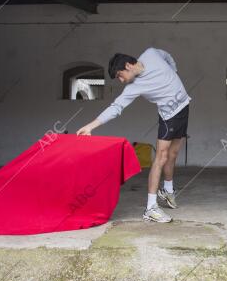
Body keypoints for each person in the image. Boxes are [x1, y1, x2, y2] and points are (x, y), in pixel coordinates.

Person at [77, 47, 191, 223]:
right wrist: (91, 126)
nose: (121, 81)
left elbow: (167, 55)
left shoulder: (151, 53)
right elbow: (116, 107)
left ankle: (168, 191)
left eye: (120, 75)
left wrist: (173, 70)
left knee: (173, 154)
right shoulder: (134, 86)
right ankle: (151, 208)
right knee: (161, 157)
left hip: (184, 106)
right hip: (169, 117)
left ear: (129, 66)